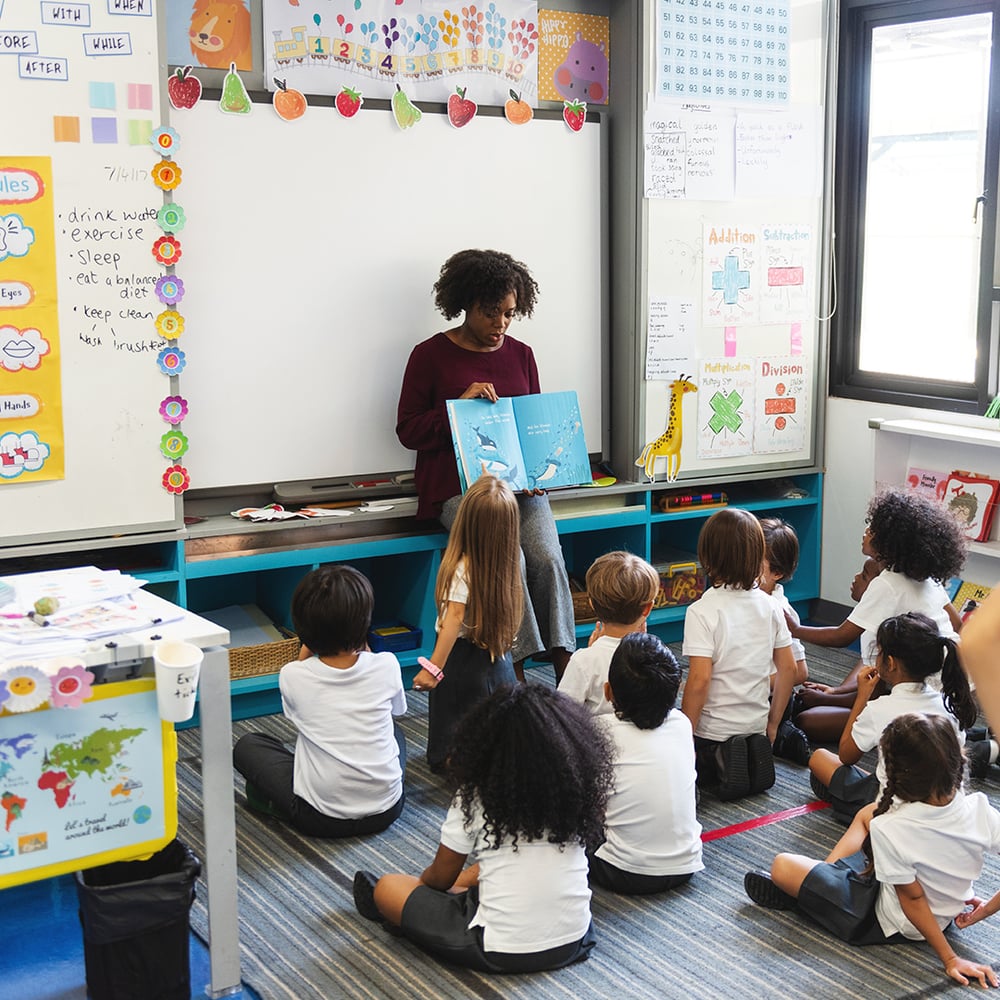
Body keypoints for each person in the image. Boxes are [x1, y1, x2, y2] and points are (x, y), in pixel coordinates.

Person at [396, 249, 576, 682]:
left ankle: (566, 668)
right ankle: (511, 670)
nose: (501, 324)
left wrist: (535, 474)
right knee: (507, 559)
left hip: (518, 488)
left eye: (510, 314)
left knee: (548, 558)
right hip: (460, 491)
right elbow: (407, 430)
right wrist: (455, 408)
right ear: (465, 306)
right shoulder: (429, 355)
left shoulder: (522, 355)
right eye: (490, 313)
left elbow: (533, 427)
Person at [352, 683, 613, 974]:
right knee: (500, 866)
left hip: (498, 948)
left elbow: (440, 876)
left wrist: (423, 890)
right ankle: (440, 908)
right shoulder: (577, 788)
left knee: (387, 888)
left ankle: (416, 919)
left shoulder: (475, 795)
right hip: (577, 938)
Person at [744, 714, 1000, 990]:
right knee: (867, 814)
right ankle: (824, 877)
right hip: (941, 912)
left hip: (889, 921)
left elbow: (912, 901)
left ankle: (812, 895)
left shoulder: (891, 828)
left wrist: (950, 958)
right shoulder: (980, 808)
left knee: (782, 866)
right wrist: (984, 909)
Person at [232, 565, 406, 838]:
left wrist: (307, 649)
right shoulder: (388, 665)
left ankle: (275, 805)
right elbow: (395, 710)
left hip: (319, 819)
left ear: (302, 627)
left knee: (249, 745)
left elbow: (298, 717)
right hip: (388, 810)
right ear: (364, 623)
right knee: (394, 732)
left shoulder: (293, 675)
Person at [787, 488, 965, 741]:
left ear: (890, 543)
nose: (866, 532)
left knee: (806, 720)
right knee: (872, 657)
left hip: (921, 692)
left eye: (873, 529)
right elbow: (957, 624)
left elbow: (841, 636)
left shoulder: (887, 583)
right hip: (949, 686)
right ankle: (842, 697)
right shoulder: (925, 578)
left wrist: (795, 629)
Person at [808, 612, 978, 822]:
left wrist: (862, 698)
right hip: (944, 802)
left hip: (893, 802)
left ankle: (852, 805)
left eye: (878, 651)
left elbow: (846, 755)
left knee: (819, 758)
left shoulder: (881, 708)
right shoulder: (948, 704)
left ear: (890, 662)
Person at [681, 507, 797, 800]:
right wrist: (772, 724)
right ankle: (746, 756)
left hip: (711, 733)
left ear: (706, 558)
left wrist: (684, 737)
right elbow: (789, 669)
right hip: (756, 727)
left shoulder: (701, 611)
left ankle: (709, 762)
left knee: (669, 711)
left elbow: (699, 681)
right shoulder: (771, 606)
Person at [411, 474, 522, 774]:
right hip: (497, 658)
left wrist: (433, 668)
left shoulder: (462, 569)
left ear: (466, 523)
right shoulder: (508, 563)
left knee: (453, 720)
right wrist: (488, 480)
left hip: (460, 661)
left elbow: (453, 620)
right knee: (497, 715)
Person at [588, 633, 704, 894]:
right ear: (676, 689)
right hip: (686, 865)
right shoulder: (682, 723)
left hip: (623, 871)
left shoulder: (598, 730)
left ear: (607, 691)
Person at [557, 551, 661, 716]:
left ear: (592, 604)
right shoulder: (659, 656)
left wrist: (591, 652)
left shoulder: (583, 661)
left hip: (598, 740)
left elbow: (563, 714)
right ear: (647, 608)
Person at [757, 517, 812, 766]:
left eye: (755, 564)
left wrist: (752, 681)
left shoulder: (780, 611)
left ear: (776, 573)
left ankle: (782, 733)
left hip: (772, 698)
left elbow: (799, 672)